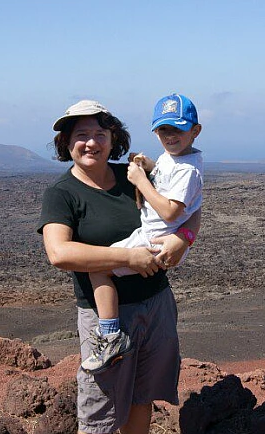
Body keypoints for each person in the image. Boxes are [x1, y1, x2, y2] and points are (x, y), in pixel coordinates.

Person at [39, 99, 197, 434]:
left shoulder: (134, 179)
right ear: (66, 143)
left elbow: (185, 209)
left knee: (142, 394)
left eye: (99, 134)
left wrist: (184, 239)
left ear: (113, 139)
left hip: (156, 302)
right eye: (81, 136)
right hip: (104, 315)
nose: (91, 143)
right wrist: (127, 257)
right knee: (100, 401)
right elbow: (60, 254)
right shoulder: (62, 194)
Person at [82, 93, 203, 374]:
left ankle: (111, 336)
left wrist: (139, 181)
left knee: (98, 269)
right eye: (163, 130)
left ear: (195, 131)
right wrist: (150, 167)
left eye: (178, 129)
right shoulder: (177, 159)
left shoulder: (188, 170)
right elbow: (167, 179)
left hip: (153, 240)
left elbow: (171, 211)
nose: (170, 136)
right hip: (157, 236)